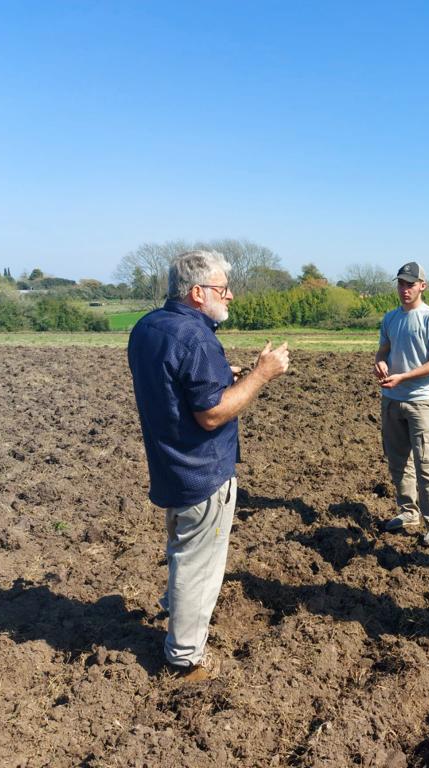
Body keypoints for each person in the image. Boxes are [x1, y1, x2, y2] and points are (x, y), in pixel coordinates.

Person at [128, 250, 290, 681]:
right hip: (202, 471)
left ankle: (178, 615)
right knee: (200, 564)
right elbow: (213, 413)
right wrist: (261, 374)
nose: (230, 296)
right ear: (198, 293)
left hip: (169, 465)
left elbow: (179, 386)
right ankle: (185, 658)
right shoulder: (196, 339)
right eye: (222, 289)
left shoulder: (148, 327)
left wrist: (224, 373)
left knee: (184, 552)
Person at [374, 261, 429, 546]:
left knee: (426, 463)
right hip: (391, 399)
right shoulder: (391, 318)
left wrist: (404, 376)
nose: (404, 290)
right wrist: (380, 363)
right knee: (398, 462)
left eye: (410, 284)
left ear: (422, 286)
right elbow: (383, 350)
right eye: (401, 284)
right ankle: (408, 512)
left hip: (420, 401)